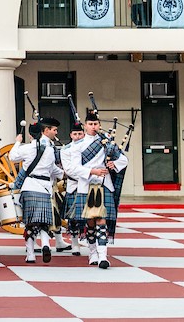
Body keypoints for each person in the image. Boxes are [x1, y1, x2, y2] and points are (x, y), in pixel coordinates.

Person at [64, 109, 127, 268]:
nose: (93, 126)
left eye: (96, 124)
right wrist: (92, 171)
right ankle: (92, 253)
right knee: (90, 222)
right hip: (86, 185)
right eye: (90, 124)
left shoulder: (107, 141)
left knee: (101, 220)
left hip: (104, 185)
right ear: (85, 126)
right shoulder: (78, 146)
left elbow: (123, 159)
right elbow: (74, 168)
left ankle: (103, 256)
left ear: (99, 125)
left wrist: (114, 164)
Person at [9, 117, 62, 263]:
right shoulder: (51, 150)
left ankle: (31, 255)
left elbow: (12, 157)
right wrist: (65, 175)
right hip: (45, 188)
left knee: (30, 223)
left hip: (30, 186)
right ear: (43, 132)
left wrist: (18, 142)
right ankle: (45, 245)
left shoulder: (28, 148)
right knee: (44, 222)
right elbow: (53, 169)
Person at [59, 123, 87, 256]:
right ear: (70, 135)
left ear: (84, 134)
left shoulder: (88, 146)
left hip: (89, 184)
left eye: (79, 134)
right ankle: (75, 244)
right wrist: (87, 174)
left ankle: (93, 243)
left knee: (92, 216)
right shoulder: (65, 150)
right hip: (74, 185)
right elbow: (68, 169)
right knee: (73, 218)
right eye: (75, 134)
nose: (77, 136)